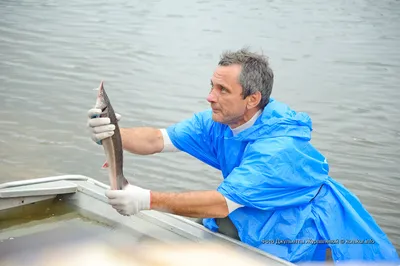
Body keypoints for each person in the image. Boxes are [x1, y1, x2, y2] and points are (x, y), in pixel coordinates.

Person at [86, 48, 399, 264]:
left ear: (252, 99)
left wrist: (145, 199)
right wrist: (112, 132)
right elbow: (158, 138)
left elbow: (221, 203)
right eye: (212, 86)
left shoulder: (278, 150)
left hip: (307, 227)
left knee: (225, 221)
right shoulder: (220, 121)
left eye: (222, 90)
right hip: (256, 210)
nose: (210, 97)